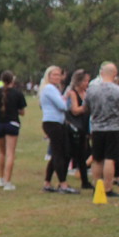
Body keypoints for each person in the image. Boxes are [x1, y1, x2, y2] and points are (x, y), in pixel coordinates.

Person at [84, 62, 119, 196]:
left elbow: (86, 107)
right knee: (110, 158)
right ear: (115, 74)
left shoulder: (92, 90)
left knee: (97, 158)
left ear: (101, 73)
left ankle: (97, 186)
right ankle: (107, 187)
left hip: (97, 128)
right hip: (114, 128)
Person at [0, 70, 27, 191]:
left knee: (2, 153)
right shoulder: (17, 93)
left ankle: (1, 179)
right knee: (10, 154)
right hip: (12, 124)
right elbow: (22, 112)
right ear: (12, 80)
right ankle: (7, 182)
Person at [39, 66, 77, 194]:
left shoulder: (53, 89)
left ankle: (47, 183)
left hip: (55, 122)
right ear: (48, 76)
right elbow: (62, 106)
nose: (57, 77)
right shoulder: (50, 88)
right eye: (54, 75)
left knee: (57, 153)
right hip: (53, 123)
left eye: (58, 75)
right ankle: (63, 184)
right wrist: (67, 99)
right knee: (60, 154)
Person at [64, 69, 92, 190]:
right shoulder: (72, 93)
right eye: (85, 81)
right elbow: (75, 110)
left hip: (84, 127)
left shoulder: (86, 92)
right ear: (78, 81)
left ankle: (85, 181)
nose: (87, 83)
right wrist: (87, 105)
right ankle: (63, 179)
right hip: (74, 128)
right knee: (69, 154)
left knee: (82, 154)